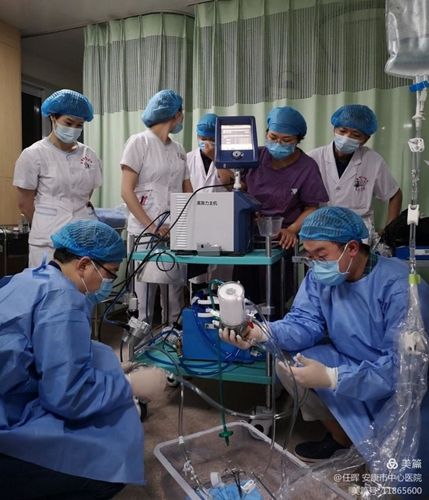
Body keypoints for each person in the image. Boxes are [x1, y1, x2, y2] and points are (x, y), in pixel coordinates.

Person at [220, 207, 429, 464]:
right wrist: (261, 333)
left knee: (403, 471)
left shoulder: (399, 287)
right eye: (310, 256)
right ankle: (342, 436)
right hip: (349, 361)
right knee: (289, 359)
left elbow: (403, 369)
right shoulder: (319, 278)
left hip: (394, 378)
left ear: (352, 248)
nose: (316, 264)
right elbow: (303, 323)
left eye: (321, 255)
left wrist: (333, 377)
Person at [0, 219, 167, 499]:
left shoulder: (34, 276)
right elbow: (66, 397)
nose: (109, 283)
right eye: (110, 274)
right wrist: (129, 385)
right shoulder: (63, 301)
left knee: (100, 358)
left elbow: (46, 348)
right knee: (112, 459)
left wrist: (113, 369)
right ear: (84, 265)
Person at [230, 106, 329, 318]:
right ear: (266, 133)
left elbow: (312, 207)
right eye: (273, 137)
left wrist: (292, 230)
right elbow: (239, 186)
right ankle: (244, 333)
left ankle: (274, 332)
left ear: (298, 140)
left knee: (274, 295)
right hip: (248, 237)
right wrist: (246, 207)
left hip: (282, 239)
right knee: (242, 295)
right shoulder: (255, 156)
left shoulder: (307, 167)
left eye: (286, 140)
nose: (278, 144)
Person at [121, 89, 193, 325]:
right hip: (144, 232)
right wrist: (152, 227)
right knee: (143, 298)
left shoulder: (179, 150)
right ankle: (140, 344)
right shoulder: (138, 142)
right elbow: (126, 191)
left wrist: (187, 226)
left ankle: (172, 337)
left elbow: (188, 191)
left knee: (174, 295)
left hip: (174, 231)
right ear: (176, 114)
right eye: (181, 113)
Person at [13, 89, 103, 268]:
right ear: (53, 117)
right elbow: (24, 203)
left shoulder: (89, 154)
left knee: (80, 284)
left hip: (82, 238)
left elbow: (87, 193)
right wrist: (45, 223)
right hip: (47, 240)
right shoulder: (33, 154)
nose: (73, 129)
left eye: (79, 125)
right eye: (68, 122)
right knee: (47, 283)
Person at [307, 104, 403, 244]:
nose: (347, 137)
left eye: (355, 135)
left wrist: (389, 231)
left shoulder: (373, 160)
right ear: (334, 130)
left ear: (365, 139)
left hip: (359, 234)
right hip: (322, 231)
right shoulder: (313, 158)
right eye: (342, 131)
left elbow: (394, 194)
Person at [187, 113, 234, 287]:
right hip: (196, 223)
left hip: (223, 224)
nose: (206, 143)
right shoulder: (187, 158)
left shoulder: (231, 157)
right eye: (202, 139)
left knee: (222, 278)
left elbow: (233, 186)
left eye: (212, 139)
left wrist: (216, 158)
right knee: (197, 277)